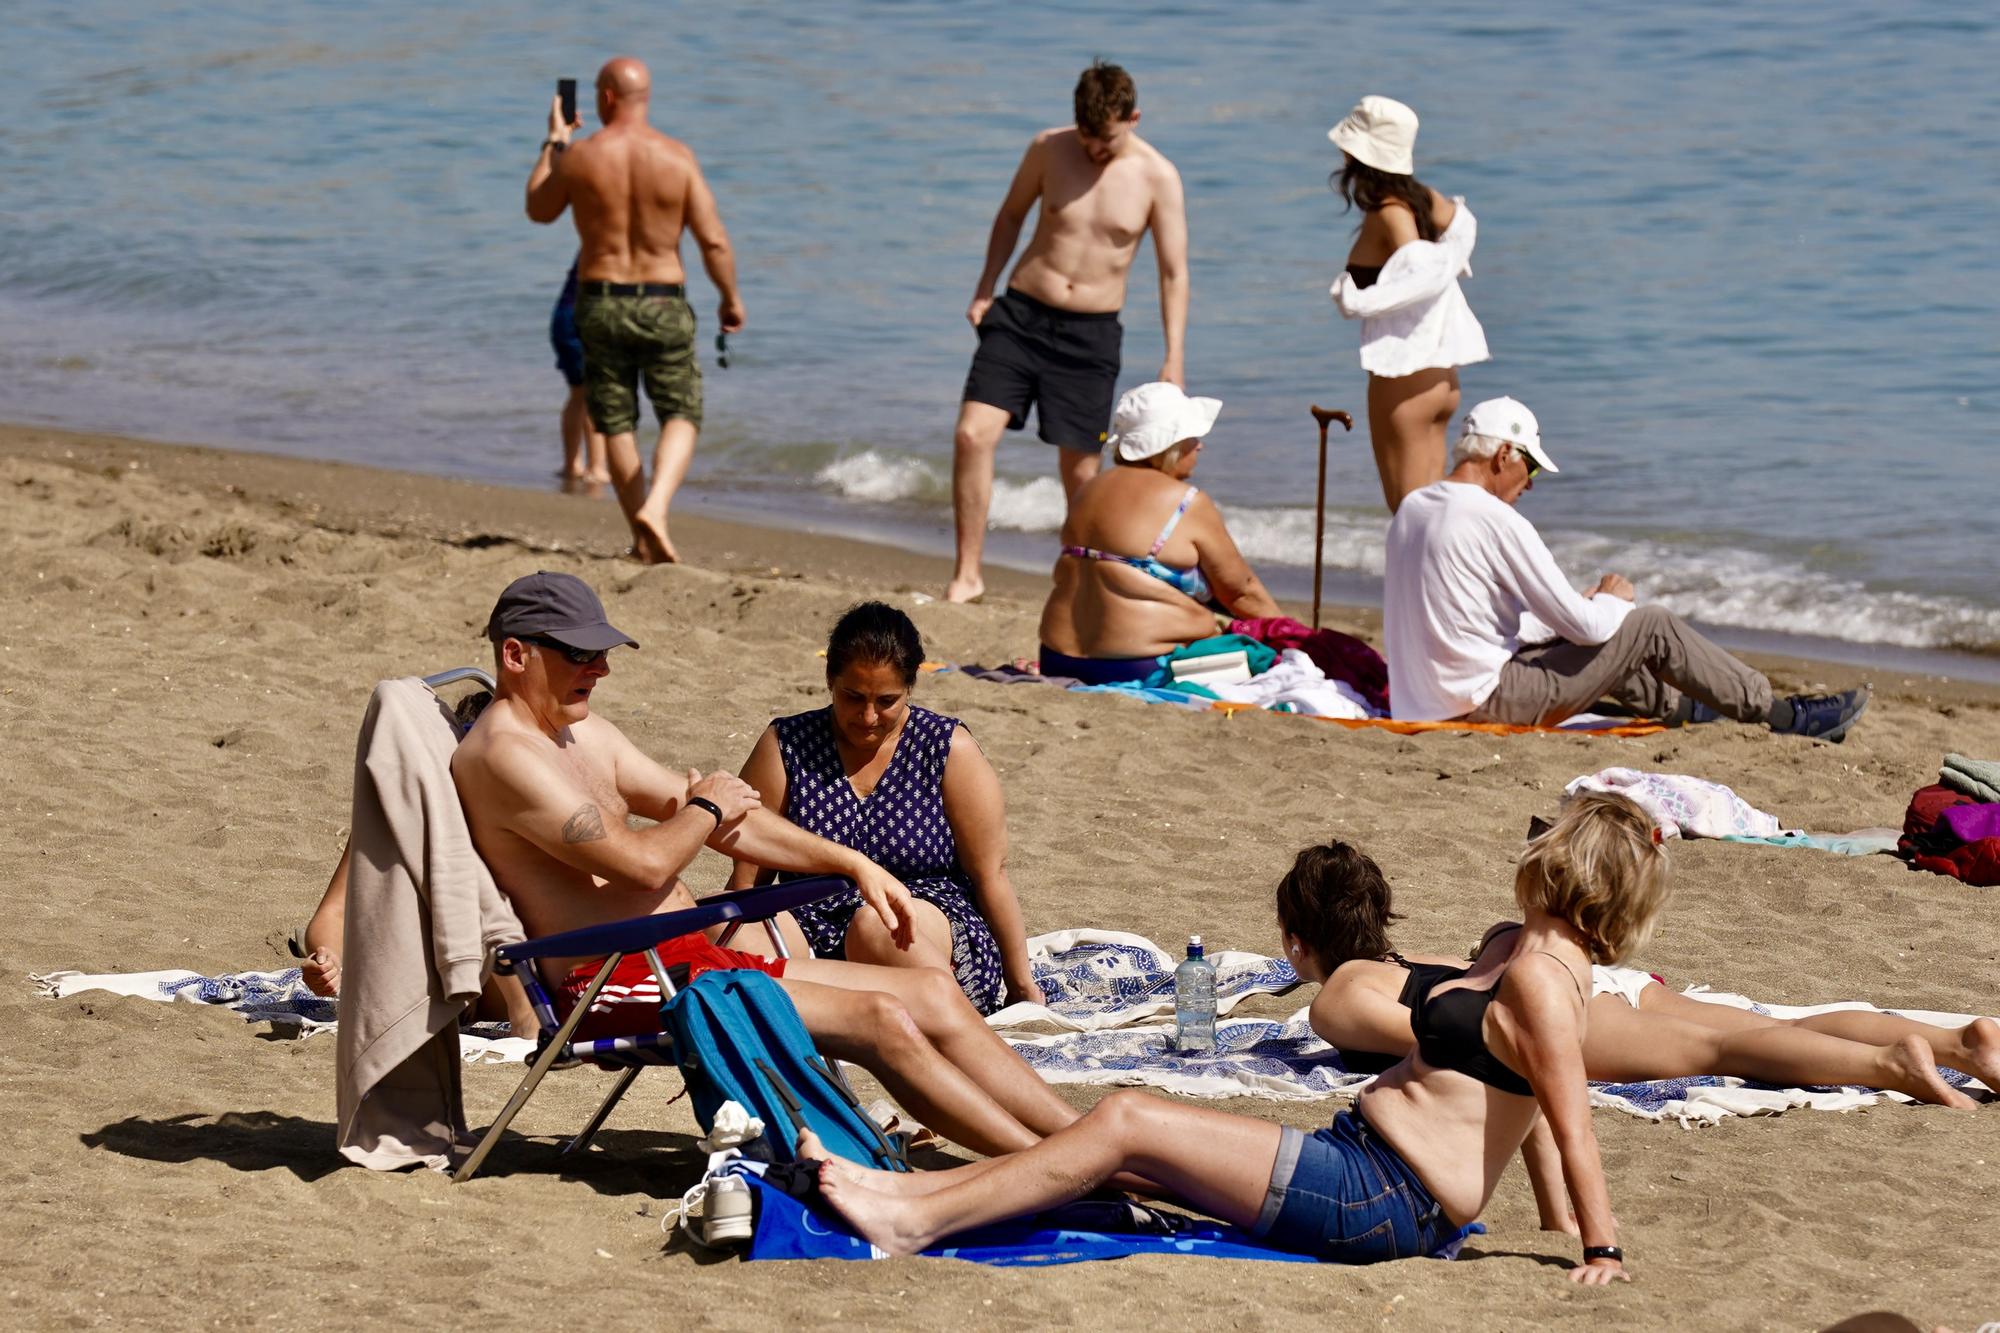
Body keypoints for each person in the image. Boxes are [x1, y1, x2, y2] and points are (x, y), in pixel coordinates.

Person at [806, 793, 1669, 1281]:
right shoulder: (1517, 948)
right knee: (1134, 1154)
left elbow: (1568, 1119)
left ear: (1563, 870)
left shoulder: (1549, 984)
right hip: (1362, 1161)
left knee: (1128, 1118)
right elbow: (1518, 1101)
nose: (1528, 844)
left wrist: (1601, 1246)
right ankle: (914, 1195)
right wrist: (1553, 1220)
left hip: (1386, 1197)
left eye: (1544, 841)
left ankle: (914, 1217)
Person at [449, 571, 1082, 1159]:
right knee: (881, 1017)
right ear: (515, 655)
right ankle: (1054, 1166)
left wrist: (852, 862)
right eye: (581, 655)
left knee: (933, 991)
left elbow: (736, 822)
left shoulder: (578, 734)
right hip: (616, 982)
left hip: (684, 963)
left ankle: (1078, 1140)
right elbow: (644, 863)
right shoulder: (509, 756)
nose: (603, 668)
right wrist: (703, 808)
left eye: (602, 652)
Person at [1272, 839, 1994, 1143]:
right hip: (1579, 976)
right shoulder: (1405, 959)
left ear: (1296, 939)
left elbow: (1453, 1034)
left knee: (1728, 1042)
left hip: (1551, 1009)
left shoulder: (1337, 996)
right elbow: (1467, 970)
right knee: (1753, 1020)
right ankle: (1960, 1042)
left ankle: (1893, 1065)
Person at [1382, 395, 1871, 739]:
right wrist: (1610, 600)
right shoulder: (1494, 519)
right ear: (1504, 453)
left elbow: (1478, 621)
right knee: (1647, 625)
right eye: (1530, 468)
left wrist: (1589, 611)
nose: (1530, 484)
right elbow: (1585, 628)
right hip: (1478, 704)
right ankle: (1785, 715)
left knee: (1602, 631)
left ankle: (1688, 707)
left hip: (1419, 700)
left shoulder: (1414, 508)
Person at [946, 61, 1190, 604]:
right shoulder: (1047, 149)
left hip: (1091, 337)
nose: (1094, 152)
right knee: (971, 434)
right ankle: (967, 574)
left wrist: (1174, 356)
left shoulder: (1158, 177)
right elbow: (1010, 216)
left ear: (1133, 118)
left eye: (1105, 140)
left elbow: (1173, 271)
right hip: (1021, 315)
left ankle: (1079, 586)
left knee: (1081, 471)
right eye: (1086, 137)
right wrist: (985, 288)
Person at [726, 602, 1043, 1015]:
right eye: (853, 697)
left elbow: (990, 874)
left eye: (886, 701)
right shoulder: (787, 744)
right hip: (812, 928)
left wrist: (1021, 985)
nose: (869, 717)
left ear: (910, 687)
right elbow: (748, 882)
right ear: (829, 680)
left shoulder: (945, 747)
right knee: (730, 933)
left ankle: (949, 1017)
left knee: (876, 923)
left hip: (922, 923)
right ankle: (822, 1014)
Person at [526, 57, 746, 565]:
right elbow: (713, 240)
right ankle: (658, 509)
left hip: (600, 300)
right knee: (682, 411)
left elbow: (538, 209)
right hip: (663, 300)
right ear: (646, 97)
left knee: (616, 418)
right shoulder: (677, 157)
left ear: (604, 98)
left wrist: (554, 141)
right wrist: (729, 297)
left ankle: (642, 538)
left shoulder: (580, 157)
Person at [1037, 381, 1280, 683]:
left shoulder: (1088, 490)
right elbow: (1243, 593)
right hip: (1142, 665)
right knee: (1269, 657)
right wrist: (1295, 638)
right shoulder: (1185, 501)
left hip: (1057, 658)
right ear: (1171, 443)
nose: (1200, 445)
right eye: (1193, 436)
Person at [1326, 96, 1489, 513]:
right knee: (1435, 519)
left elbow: (1420, 270)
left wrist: (1354, 297)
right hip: (1441, 380)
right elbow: (1462, 231)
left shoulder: (1389, 213)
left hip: (1404, 382)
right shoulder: (1427, 199)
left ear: (1357, 153)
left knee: (1412, 522)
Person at [550, 258, 610, 488]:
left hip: (564, 316)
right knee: (594, 392)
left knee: (579, 393)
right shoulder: (618, 248)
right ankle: (596, 467)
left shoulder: (590, 240)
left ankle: (571, 465)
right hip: (585, 318)